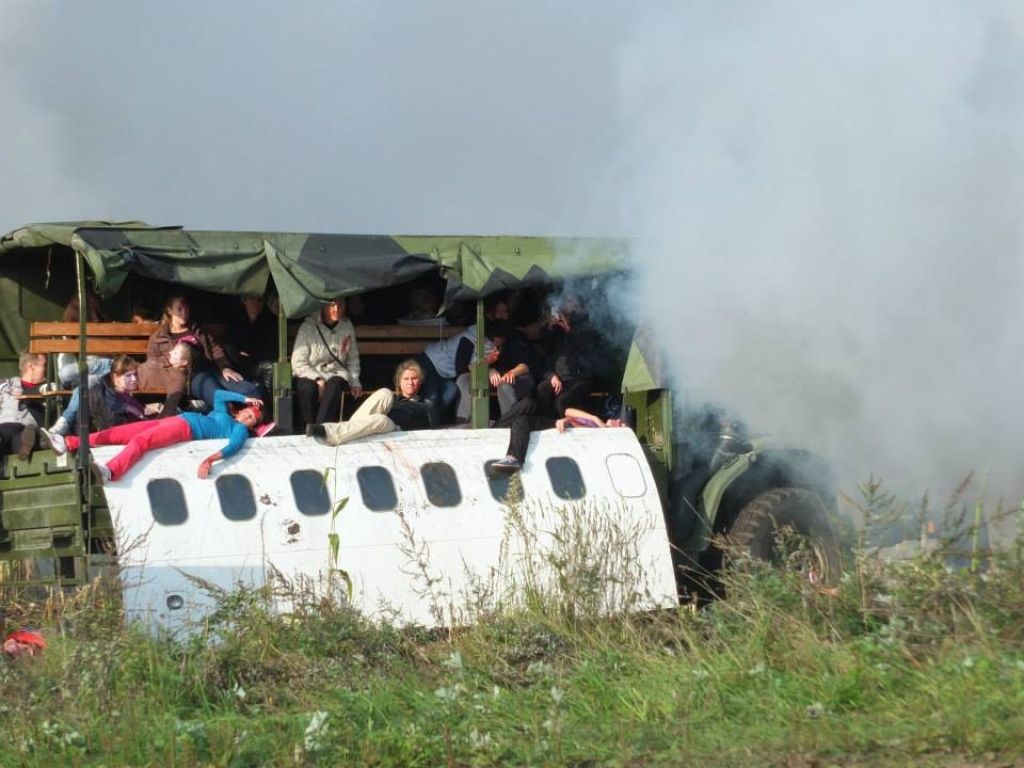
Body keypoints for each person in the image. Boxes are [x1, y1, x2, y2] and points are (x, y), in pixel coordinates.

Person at [47, 390, 263, 482]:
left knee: (142, 441)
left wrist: (210, 459)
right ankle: (69, 442)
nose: (248, 416)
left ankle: (112, 471)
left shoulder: (239, 429)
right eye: (248, 411)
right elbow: (218, 395)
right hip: (179, 419)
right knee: (117, 433)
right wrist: (246, 397)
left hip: (187, 429)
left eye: (253, 418)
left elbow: (233, 447)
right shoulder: (224, 412)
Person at [147, 294, 260, 415]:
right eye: (179, 309)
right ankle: (235, 425)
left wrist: (225, 367)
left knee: (251, 391)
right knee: (222, 402)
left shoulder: (197, 329)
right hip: (191, 378)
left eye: (186, 308)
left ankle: (259, 423)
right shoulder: (159, 337)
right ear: (169, 311)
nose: (184, 312)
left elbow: (214, 349)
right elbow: (154, 364)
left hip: (211, 370)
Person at [308, 359, 434, 446]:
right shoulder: (393, 399)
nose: (410, 383)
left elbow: (426, 423)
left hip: (399, 430)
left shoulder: (425, 403)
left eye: (414, 379)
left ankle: (328, 433)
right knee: (385, 392)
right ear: (399, 381)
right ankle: (345, 431)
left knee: (381, 420)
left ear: (420, 381)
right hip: (378, 426)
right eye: (406, 379)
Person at [489, 398, 624, 474]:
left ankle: (514, 459)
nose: (619, 420)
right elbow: (568, 411)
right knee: (524, 412)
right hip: (561, 423)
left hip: (563, 429)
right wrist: (594, 418)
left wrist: (599, 425)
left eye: (622, 424)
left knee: (523, 421)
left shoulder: (601, 435)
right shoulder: (596, 423)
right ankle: (494, 430)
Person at [291, 297, 362, 428]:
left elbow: (353, 358)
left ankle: (318, 429)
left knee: (335, 385)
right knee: (308, 388)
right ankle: (308, 427)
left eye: (340, 305)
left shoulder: (347, 326)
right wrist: (317, 378)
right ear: (323, 307)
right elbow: (298, 362)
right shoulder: (309, 327)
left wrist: (354, 381)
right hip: (310, 372)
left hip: (336, 373)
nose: (336, 309)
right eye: (332, 306)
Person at [47, 355, 148, 437]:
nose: (134, 379)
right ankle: (64, 387)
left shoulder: (119, 387)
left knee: (86, 383)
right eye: (130, 376)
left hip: (113, 370)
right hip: (104, 364)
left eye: (134, 375)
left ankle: (65, 421)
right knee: (65, 373)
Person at [224, 293, 277, 396]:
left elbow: (270, 349)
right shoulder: (235, 320)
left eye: (260, 300)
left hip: (259, 363)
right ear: (244, 301)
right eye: (252, 299)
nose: (256, 303)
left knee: (269, 368)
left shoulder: (268, 320)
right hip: (238, 365)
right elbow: (230, 348)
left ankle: (270, 403)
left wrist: (250, 353)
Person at [0, 352, 47, 460]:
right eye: (43, 365)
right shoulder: (6, 384)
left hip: (26, 429)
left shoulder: (47, 390)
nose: (46, 370)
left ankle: (23, 448)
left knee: (25, 437)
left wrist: (29, 398)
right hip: (3, 427)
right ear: (31, 366)